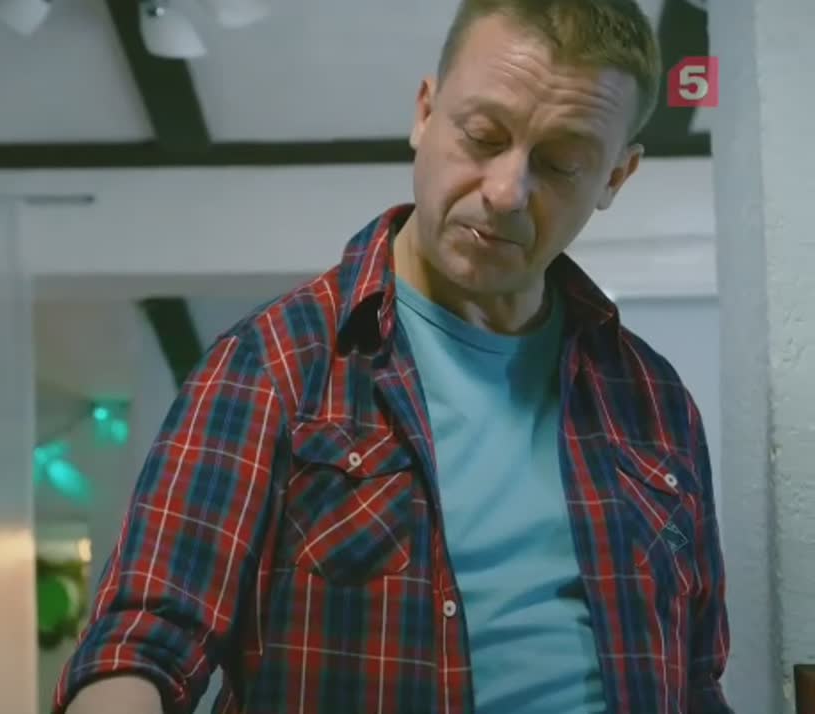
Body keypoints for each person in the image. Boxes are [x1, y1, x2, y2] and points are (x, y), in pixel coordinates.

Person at [53, 0, 731, 711]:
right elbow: (143, 644)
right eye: (482, 136)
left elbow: (696, 679)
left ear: (615, 178)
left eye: (562, 164)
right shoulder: (272, 365)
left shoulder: (652, 398)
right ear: (425, 113)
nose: (506, 193)